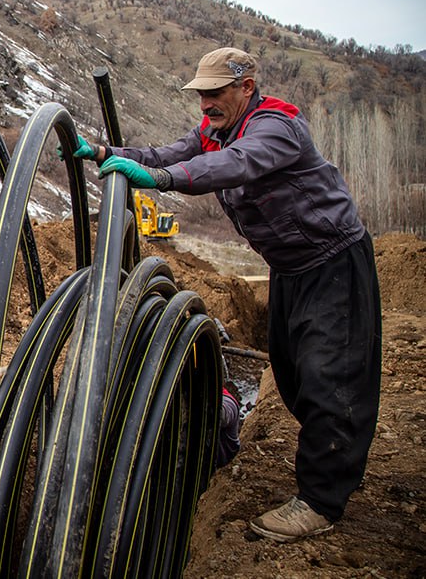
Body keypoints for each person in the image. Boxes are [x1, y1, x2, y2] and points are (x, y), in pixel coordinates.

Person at [71, 47, 382, 541]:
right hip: (288, 268)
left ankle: (321, 501)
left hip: (332, 262)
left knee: (329, 374)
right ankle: (335, 454)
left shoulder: (275, 127)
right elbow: (166, 154)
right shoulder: (212, 132)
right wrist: (114, 156)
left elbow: (237, 165)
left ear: (245, 87)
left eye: (215, 93)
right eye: (201, 95)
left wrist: (163, 181)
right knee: (291, 372)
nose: (206, 104)